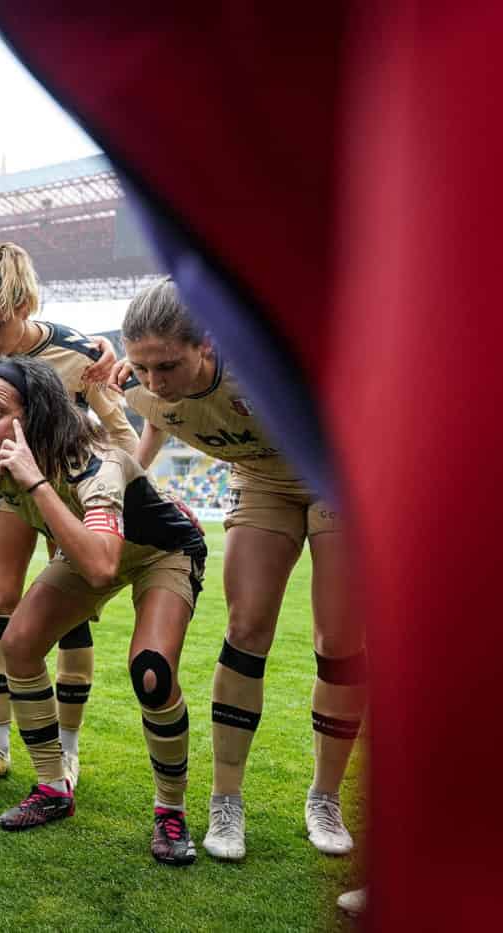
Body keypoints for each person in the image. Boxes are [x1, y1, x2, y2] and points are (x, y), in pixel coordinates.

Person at [0, 356, 206, 864]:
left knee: (152, 673)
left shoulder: (96, 461)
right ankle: (53, 787)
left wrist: (33, 482)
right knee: (19, 646)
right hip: (92, 547)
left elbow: (101, 567)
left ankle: (170, 812)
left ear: (37, 416)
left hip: (163, 551)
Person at [118, 277, 363, 860]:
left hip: (339, 477)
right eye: (142, 367)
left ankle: (324, 798)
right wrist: (118, 491)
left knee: (340, 638)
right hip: (260, 481)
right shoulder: (140, 386)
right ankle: (226, 802)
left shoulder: (266, 361)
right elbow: (155, 419)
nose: (154, 381)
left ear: (206, 344)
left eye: (167, 365)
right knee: (247, 629)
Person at [0, 242, 134, 792]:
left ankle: (68, 752)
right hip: (5, 485)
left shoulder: (81, 354)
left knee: (69, 610)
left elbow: (119, 433)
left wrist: (115, 486)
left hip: (65, 492)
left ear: (26, 305)